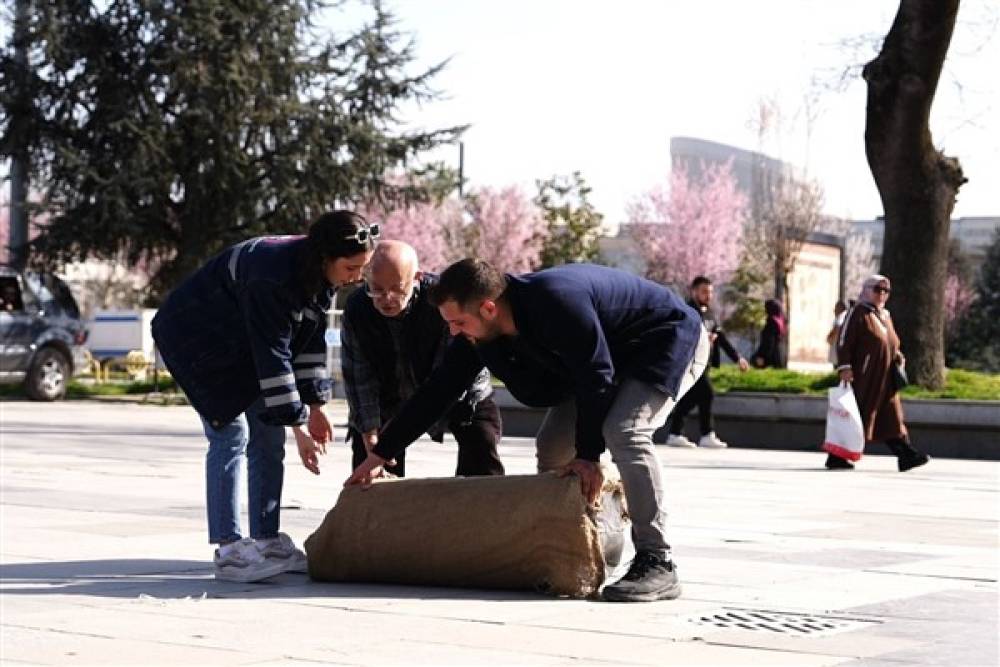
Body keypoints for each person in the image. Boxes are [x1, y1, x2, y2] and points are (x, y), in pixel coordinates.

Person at [347, 259, 710, 603]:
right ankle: (591, 537)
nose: (453, 332)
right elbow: (437, 391)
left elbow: (596, 377)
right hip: (601, 362)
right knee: (553, 447)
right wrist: (380, 454)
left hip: (665, 340)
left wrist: (588, 456)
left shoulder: (555, 303)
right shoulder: (481, 334)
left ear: (488, 308)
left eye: (458, 323)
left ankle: (657, 559)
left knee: (624, 431)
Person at [151, 211, 377, 582]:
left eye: (361, 267)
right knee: (231, 434)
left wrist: (316, 406)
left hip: (245, 343)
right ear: (325, 257)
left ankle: (268, 539)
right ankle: (229, 549)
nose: (357, 278)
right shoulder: (271, 277)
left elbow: (308, 342)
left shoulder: (316, 273)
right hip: (198, 341)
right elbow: (274, 357)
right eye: (352, 268)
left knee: (268, 436)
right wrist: (299, 426)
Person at [340, 240, 504, 478]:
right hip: (388, 395)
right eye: (376, 288)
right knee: (369, 461)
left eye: (397, 288)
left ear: (416, 277)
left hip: (458, 388)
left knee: (481, 449)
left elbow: (447, 380)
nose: (386, 298)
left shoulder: (444, 300)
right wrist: (368, 431)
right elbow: (358, 376)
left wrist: (400, 430)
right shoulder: (357, 309)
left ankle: (485, 511)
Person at [826, 275, 929, 472]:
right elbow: (844, 341)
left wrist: (897, 355)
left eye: (885, 291)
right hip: (864, 377)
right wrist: (845, 366)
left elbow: (891, 342)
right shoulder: (857, 313)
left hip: (885, 379)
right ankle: (836, 456)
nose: (881, 294)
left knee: (891, 415)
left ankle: (905, 454)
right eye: (877, 290)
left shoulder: (885, 315)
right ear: (866, 290)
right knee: (859, 414)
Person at [663, 275, 749, 449]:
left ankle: (675, 433)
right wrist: (702, 340)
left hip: (705, 363)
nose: (708, 296)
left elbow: (721, 338)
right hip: (691, 362)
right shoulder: (688, 311)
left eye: (710, 292)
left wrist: (737, 358)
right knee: (707, 393)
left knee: (692, 398)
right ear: (694, 291)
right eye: (704, 292)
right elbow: (681, 335)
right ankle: (706, 434)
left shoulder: (709, 313)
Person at [752, 298, 787, 369]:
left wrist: (761, 356)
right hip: (777, 355)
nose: (765, 310)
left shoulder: (771, 322)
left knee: (753, 362)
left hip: (768, 355)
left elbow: (768, 341)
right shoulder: (780, 321)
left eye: (766, 307)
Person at [826, 300, 850, 367]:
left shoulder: (841, 316)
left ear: (840, 308)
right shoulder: (846, 316)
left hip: (838, 351)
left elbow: (837, 327)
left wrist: (830, 337)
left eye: (836, 307)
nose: (834, 310)